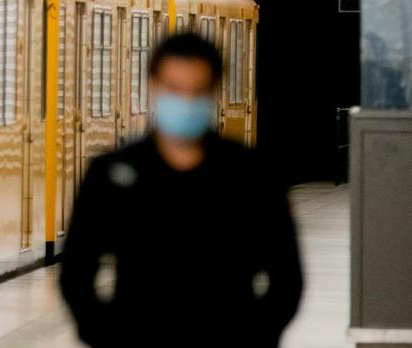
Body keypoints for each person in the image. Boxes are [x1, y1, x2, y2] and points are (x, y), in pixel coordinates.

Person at [59, 34, 303, 347]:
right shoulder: (112, 175)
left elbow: (286, 276)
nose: (186, 102)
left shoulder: (251, 175)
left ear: (213, 91)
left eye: (197, 91)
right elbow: (77, 269)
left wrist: (258, 336)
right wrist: (101, 333)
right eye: (174, 89)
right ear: (153, 86)